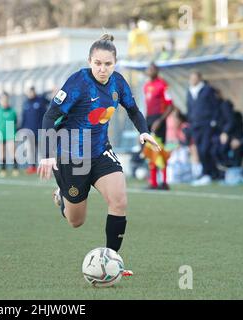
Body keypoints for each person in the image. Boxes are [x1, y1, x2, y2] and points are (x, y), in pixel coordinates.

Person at [37, 34, 160, 277]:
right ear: (90, 61)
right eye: (98, 63)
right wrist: (48, 154)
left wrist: (144, 132)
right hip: (71, 157)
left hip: (101, 151)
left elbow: (133, 110)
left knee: (119, 200)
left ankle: (113, 261)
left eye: (108, 64)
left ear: (115, 63)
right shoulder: (77, 83)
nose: (103, 69)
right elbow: (50, 116)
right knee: (76, 221)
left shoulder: (118, 83)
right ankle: (63, 197)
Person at [143, 62, 174, 190]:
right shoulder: (146, 86)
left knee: (159, 150)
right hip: (149, 119)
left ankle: (165, 182)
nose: (149, 71)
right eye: (148, 69)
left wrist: (160, 121)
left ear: (157, 71)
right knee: (150, 150)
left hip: (159, 120)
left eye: (152, 69)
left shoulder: (163, 85)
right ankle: (153, 182)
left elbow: (171, 106)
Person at [187, 71, 221, 186]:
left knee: (205, 149)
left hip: (206, 124)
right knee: (200, 150)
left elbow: (215, 106)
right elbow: (189, 109)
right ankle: (207, 173)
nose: (192, 80)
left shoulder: (207, 90)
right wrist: (190, 122)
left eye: (194, 77)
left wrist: (214, 121)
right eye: (191, 78)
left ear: (199, 78)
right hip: (195, 125)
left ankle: (209, 173)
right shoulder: (190, 91)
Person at [21, 86, 49, 174]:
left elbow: (49, 101)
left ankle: (42, 167)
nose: (30, 94)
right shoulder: (26, 104)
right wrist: (22, 128)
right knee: (30, 150)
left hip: (40, 130)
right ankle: (32, 167)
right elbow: (24, 117)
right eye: (29, 92)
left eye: (32, 92)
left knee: (41, 150)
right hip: (29, 131)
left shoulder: (40, 100)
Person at [0, 91, 19, 178]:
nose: (4, 101)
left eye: (6, 100)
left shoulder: (12, 111)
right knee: (2, 153)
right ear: (0, 100)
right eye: (2, 100)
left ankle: (15, 169)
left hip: (10, 132)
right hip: (1, 133)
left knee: (12, 151)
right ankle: (3, 170)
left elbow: (16, 122)